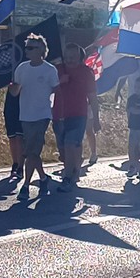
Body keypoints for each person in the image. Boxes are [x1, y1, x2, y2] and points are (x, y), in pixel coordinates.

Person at [11, 34, 59, 200]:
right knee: (32, 152)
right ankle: (43, 179)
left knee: (31, 151)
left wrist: (55, 111)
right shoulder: (21, 68)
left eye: (31, 48)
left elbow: (56, 91)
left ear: (41, 50)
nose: (27, 50)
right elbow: (15, 92)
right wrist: (12, 87)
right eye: (27, 47)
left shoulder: (49, 70)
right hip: (26, 115)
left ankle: (25, 186)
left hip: (42, 115)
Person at [52, 43, 100, 191]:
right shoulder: (58, 70)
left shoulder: (86, 72)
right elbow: (47, 89)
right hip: (59, 114)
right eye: (67, 57)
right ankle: (74, 170)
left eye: (73, 57)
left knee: (70, 143)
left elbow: (92, 97)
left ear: (79, 57)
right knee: (63, 150)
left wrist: (96, 118)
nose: (69, 60)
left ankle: (67, 178)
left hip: (78, 114)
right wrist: (60, 82)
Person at [3, 81, 23, 179]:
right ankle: (15, 163)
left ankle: (20, 166)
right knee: (12, 137)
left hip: (22, 105)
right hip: (10, 106)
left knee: (19, 138)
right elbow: (13, 91)